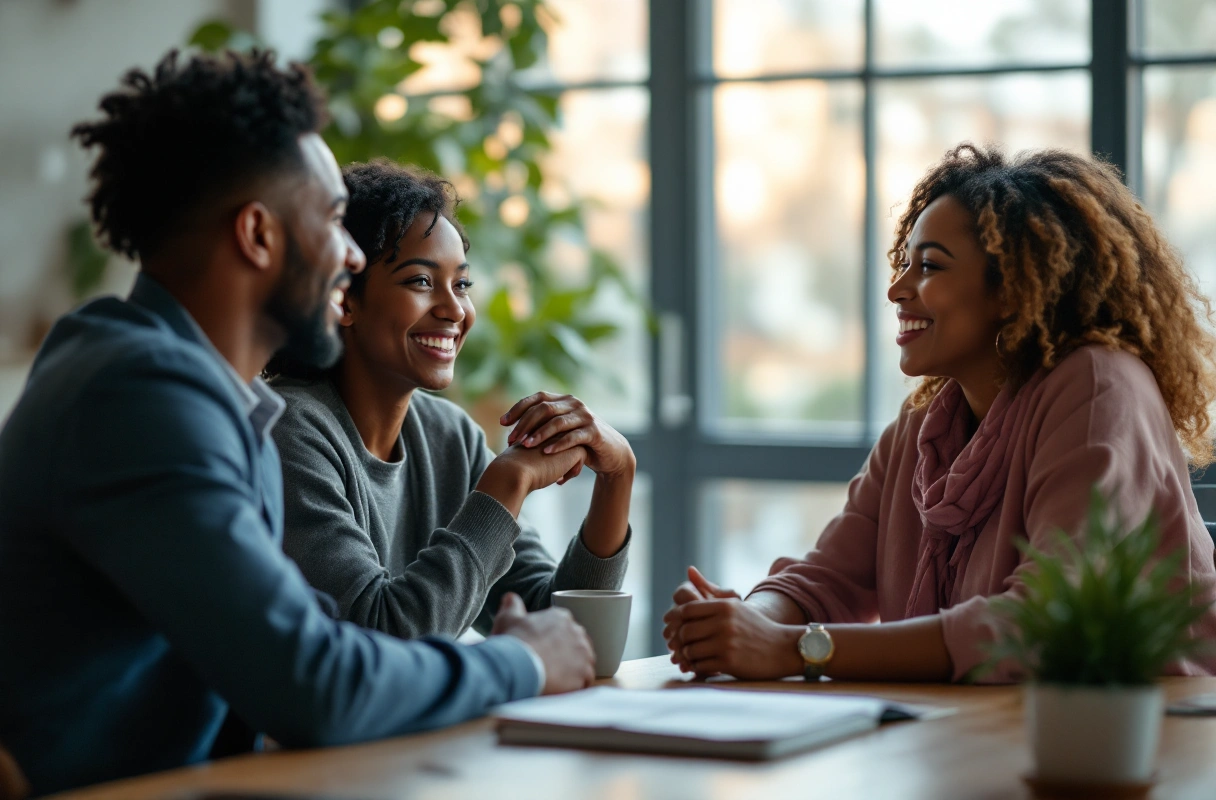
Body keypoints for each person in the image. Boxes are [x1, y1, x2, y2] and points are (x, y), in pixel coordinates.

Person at [0, 50, 594, 795]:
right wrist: (523, 661)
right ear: (257, 234)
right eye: (334, 222)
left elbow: (325, 643)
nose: (350, 259)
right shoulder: (140, 397)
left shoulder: (192, 392)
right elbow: (317, 682)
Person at [663, 143, 1216, 684]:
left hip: (1149, 742)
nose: (897, 289)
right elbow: (826, 579)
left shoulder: (1098, 387)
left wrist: (795, 649)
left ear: (1013, 288)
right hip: (976, 734)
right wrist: (744, 623)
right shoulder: (922, 423)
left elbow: (1042, 621)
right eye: (905, 264)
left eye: (928, 266)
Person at [265, 160, 633, 640]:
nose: (455, 309)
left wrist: (617, 474)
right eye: (420, 281)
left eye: (461, 284)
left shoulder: (447, 435)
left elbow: (563, 627)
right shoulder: (288, 431)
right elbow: (381, 638)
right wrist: (505, 483)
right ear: (344, 299)